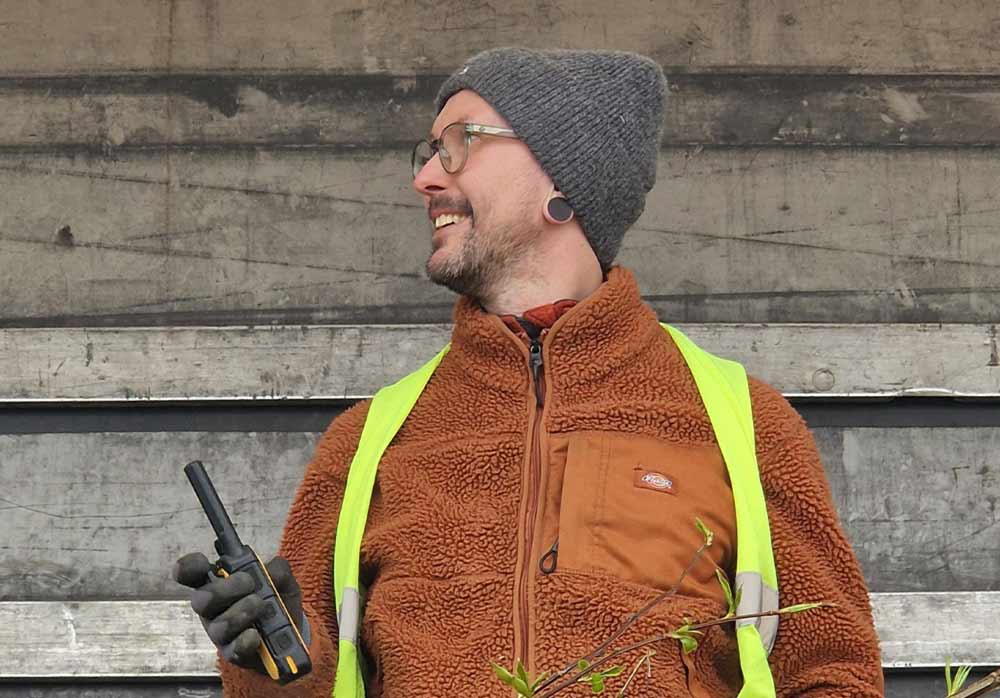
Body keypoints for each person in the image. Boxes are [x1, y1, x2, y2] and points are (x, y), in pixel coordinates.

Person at [173, 48, 884, 697]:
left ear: (563, 176)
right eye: (428, 151)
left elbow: (834, 673)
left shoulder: (742, 423)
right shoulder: (368, 443)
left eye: (458, 145)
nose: (424, 177)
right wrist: (264, 665)